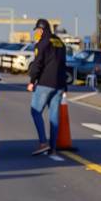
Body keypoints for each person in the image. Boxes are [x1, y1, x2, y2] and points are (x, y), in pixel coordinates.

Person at [27, 18, 69, 156]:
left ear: (42, 30)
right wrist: (65, 86)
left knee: (35, 111)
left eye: (37, 31)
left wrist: (32, 81)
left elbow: (37, 64)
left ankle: (43, 143)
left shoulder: (42, 44)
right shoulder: (59, 42)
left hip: (45, 83)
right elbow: (64, 64)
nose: (36, 34)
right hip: (59, 84)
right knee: (53, 116)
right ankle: (53, 147)